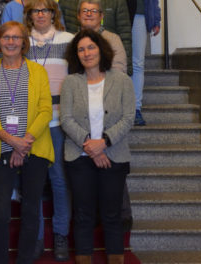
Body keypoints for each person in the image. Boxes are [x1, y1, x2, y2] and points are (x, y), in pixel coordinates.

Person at [0, 21, 54, 264]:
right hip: (1, 147)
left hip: (35, 148)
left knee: (31, 211)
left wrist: (25, 142)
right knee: (0, 213)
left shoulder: (38, 71)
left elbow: (45, 110)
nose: (10, 42)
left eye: (16, 37)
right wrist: (12, 141)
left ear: (24, 42)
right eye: (6, 37)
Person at [60, 29, 135, 264]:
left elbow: (128, 117)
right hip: (79, 158)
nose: (86, 53)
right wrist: (90, 147)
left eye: (91, 47)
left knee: (112, 215)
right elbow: (66, 119)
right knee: (83, 215)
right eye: (81, 49)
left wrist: (103, 143)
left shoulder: (121, 80)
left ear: (101, 49)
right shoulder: (71, 82)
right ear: (76, 55)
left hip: (113, 156)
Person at [23, 0, 75, 261]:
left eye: (45, 10)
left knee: (59, 180)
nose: (40, 15)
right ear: (29, 15)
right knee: (33, 183)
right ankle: (36, 237)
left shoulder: (68, 41)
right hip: (31, 123)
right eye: (35, 11)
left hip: (58, 121)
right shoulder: (21, 42)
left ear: (54, 14)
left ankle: (61, 234)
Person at [107, 0, 161, 126]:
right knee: (113, 61)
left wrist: (155, 16)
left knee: (137, 62)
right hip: (114, 15)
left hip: (138, 15)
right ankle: (115, 107)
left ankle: (136, 108)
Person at [76, 0, 127, 77]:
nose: (89, 14)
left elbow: (119, 70)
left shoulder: (113, 39)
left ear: (101, 16)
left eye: (94, 11)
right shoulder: (72, 40)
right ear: (78, 15)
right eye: (84, 11)